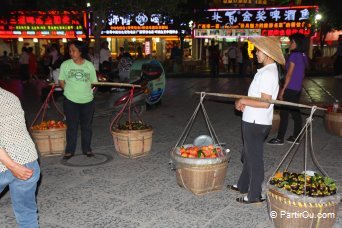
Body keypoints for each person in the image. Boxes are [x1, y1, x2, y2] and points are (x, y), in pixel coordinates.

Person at [227, 36, 285, 204]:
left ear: (267, 53)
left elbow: (265, 102)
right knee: (249, 154)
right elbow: (258, 99)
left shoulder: (268, 73)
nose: (255, 53)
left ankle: (254, 195)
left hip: (256, 122)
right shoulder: (267, 71)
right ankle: (243, 184)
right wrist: (246, 103)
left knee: (254, 158)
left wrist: (243, 101)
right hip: (253, 119)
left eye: (258, 50)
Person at [0, 87, 41, 227]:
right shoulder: (10, 96)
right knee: (27, 213)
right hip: (28, 161)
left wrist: (12, 165)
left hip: (5, 165)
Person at [58, 40, 98, 160]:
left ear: (80, 52)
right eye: (70, 51)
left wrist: (86, 91)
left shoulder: (89, 65)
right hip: (70, 101)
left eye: (73, 51)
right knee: (72, 126)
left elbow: (94, 82)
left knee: (86, 126)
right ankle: (70, 151)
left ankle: (87, 149)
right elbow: (61, 81)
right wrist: (69, 92)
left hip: (87, 101)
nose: (71, 53)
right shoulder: (65, 65)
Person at [267, 33, 308, 145]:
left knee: (284, 113)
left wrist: (283, 89)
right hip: (297, 88)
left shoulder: (294, 56)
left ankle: (280, 138)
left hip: (290, 88)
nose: (290, 43)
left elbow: (289, 74)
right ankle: (296, 137)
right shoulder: (303, 55)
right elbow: (302, 73)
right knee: (295, 112)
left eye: (292, 42)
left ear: (297, 43)